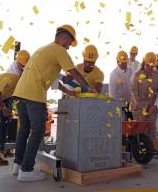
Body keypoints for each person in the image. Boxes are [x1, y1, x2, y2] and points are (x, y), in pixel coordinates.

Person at [12, 24, 97, 182]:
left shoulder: (44, 50)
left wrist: (69, 92)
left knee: (24, 130)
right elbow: (73, 72)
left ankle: (17, 165)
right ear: (65, 38)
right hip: (34, 95)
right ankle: (27, 169)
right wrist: (90, 87)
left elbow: (55, 81)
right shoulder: (59, 50)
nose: (69, 48)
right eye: (69, 44)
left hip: (21, 94)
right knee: (37, 131)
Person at [0, 50, 30, 157]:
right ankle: (2, 148)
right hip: (4, 98)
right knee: (4, 122)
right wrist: (3, 107)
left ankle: (6, 148)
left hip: (9, 97)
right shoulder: (12, 72)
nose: (23, 68)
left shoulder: (17, 68)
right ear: (18, 62)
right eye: (22, 65)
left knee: (9, 122)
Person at [130, 52, 158, 157]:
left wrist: (153, 106)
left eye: (152, 66)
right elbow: (134, 94)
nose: (149, 68)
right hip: (139, 108)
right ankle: (141, 152)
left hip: (152, 107)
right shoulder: (136, 76)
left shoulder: (157, 75)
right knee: (142, 130)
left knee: (152, 129)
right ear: (143, 63)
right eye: (147, 65)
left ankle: (151, 150)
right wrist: (144, 108)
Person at [109, 51, 133, 119]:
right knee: (121, 124)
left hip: (131, 103)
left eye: (125, 62)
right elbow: (112, 94)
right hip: (119, 104)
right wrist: (116, 108)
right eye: (122, 62)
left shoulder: (131, 70)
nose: (124, 65)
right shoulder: (114, 74)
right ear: (117, 62)